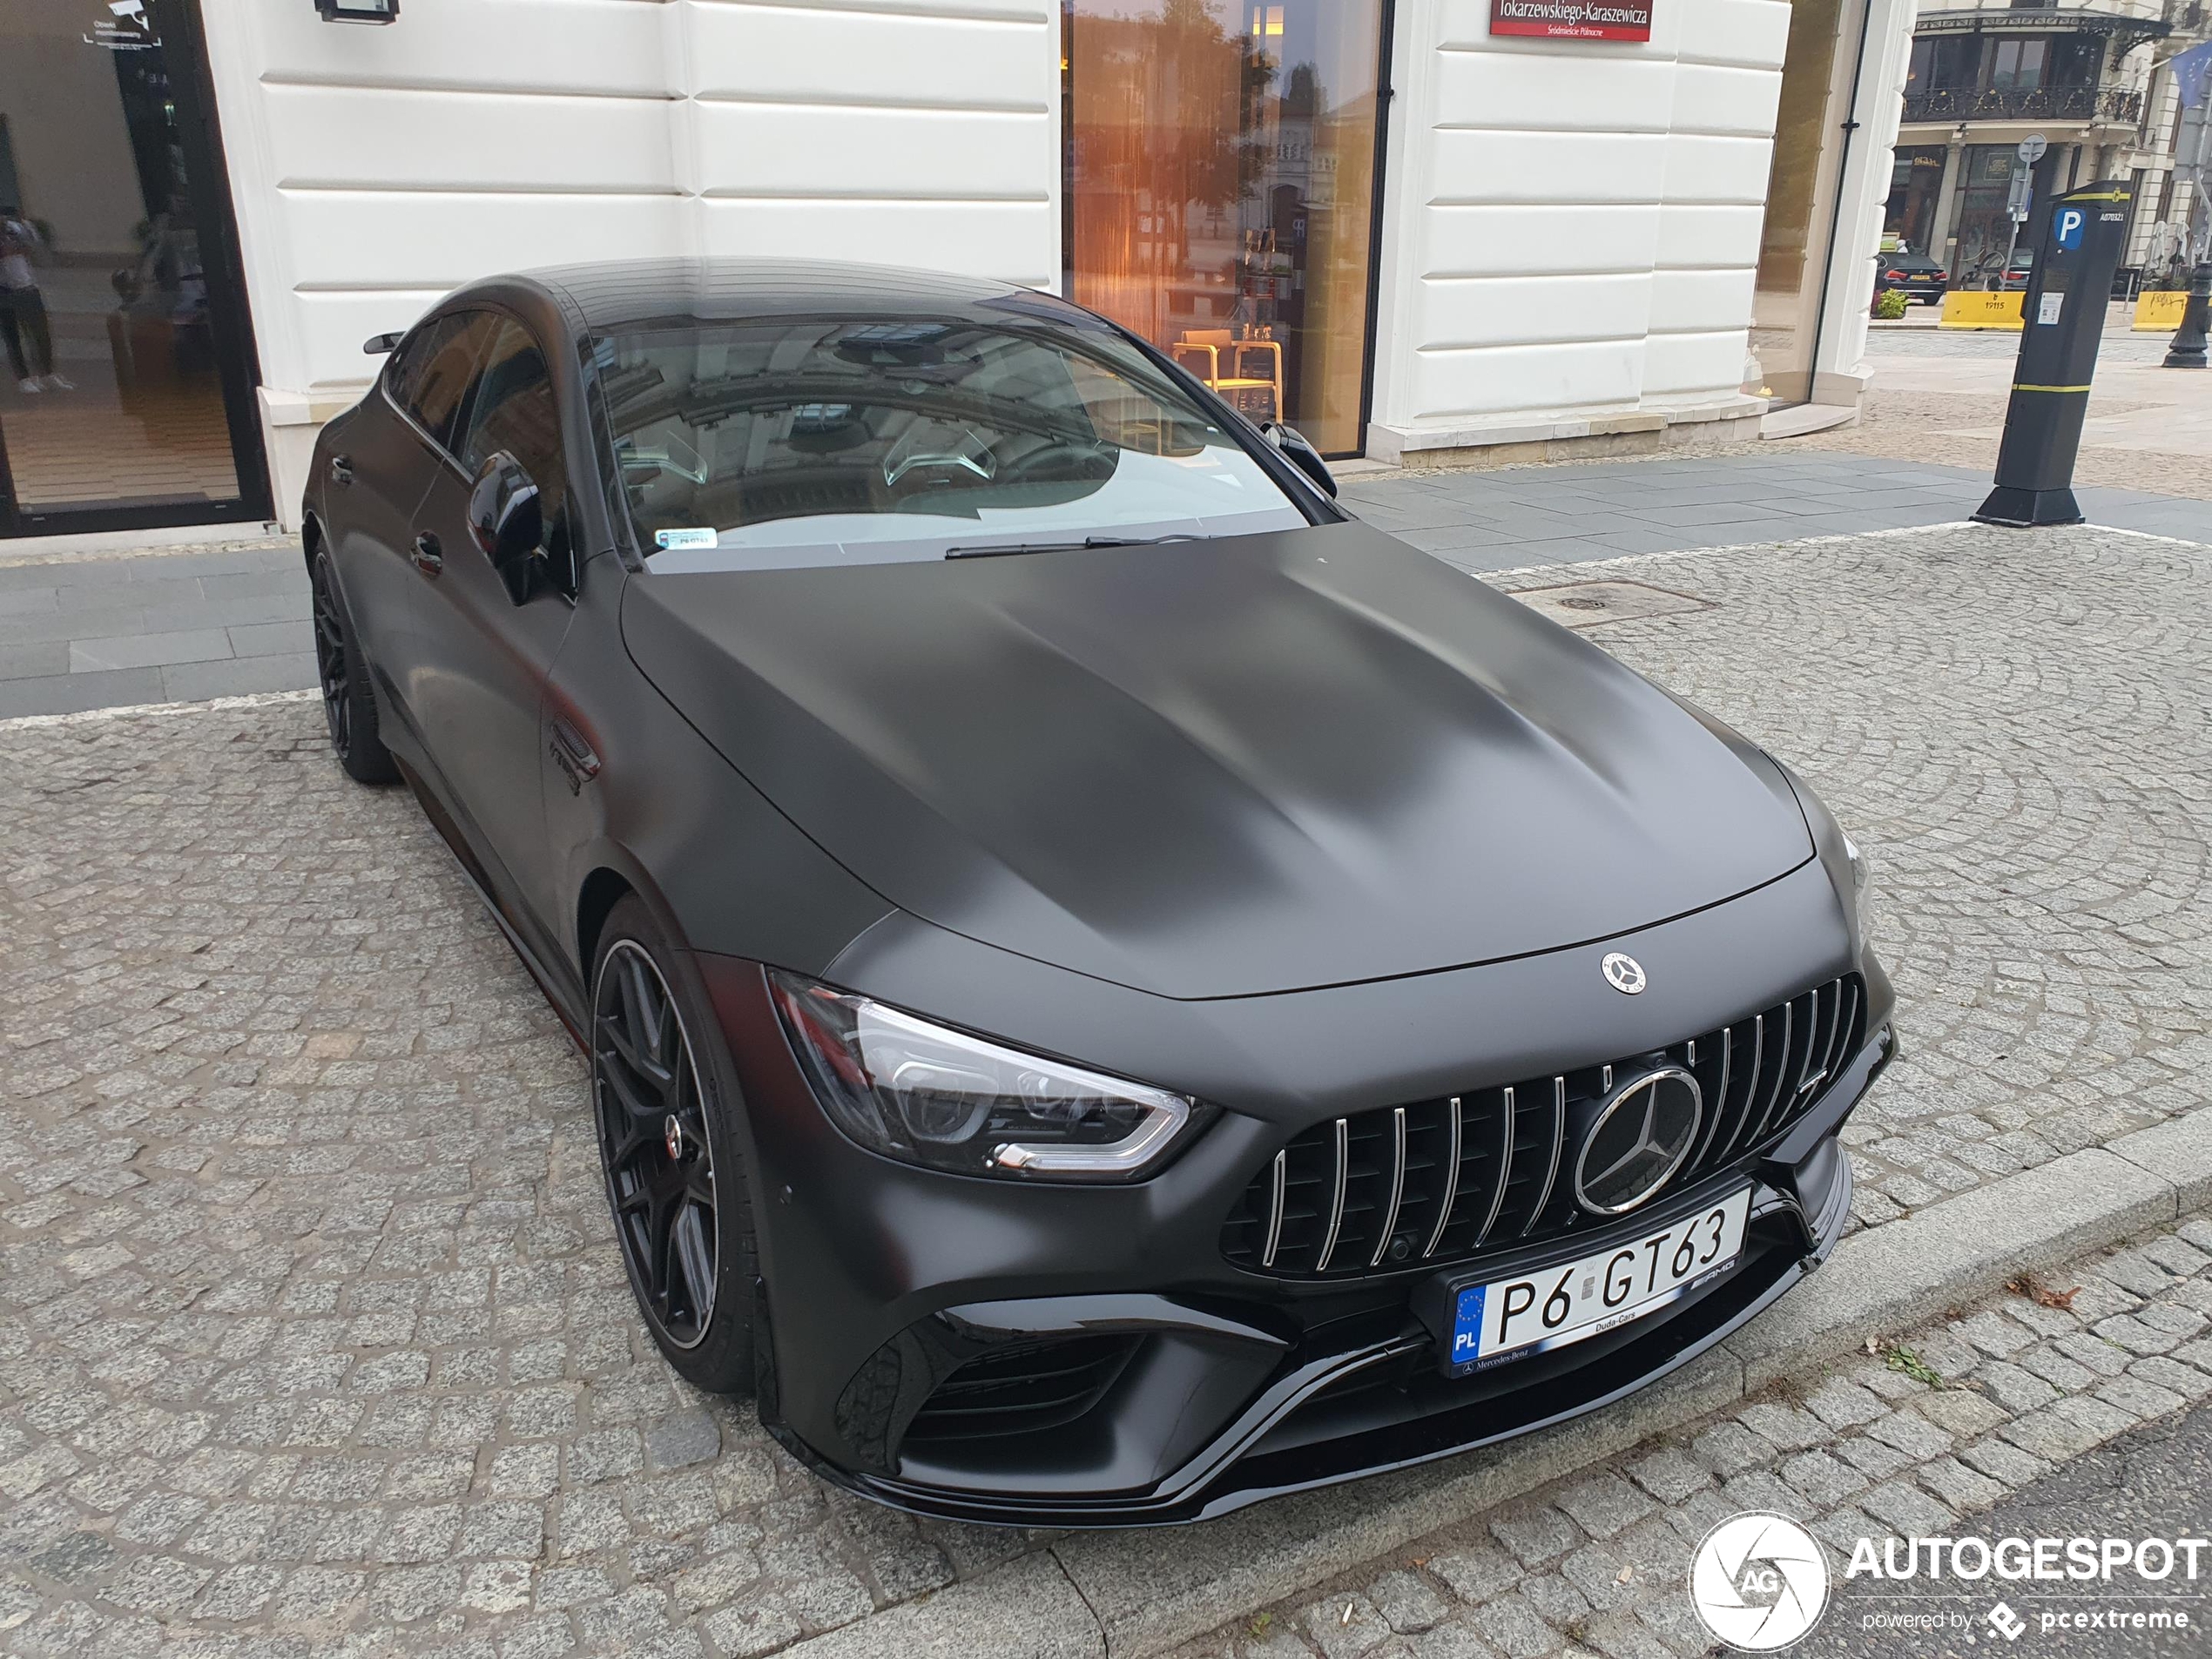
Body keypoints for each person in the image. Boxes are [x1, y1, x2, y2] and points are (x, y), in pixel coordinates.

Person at [0, 212, 71, 394]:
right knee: (13, 337)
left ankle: (47, 373)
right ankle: (24, 378)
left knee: (41, 333)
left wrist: (23, 240)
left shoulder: (17, 228)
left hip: (28, 286)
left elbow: (35, 252)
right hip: (5, 290)